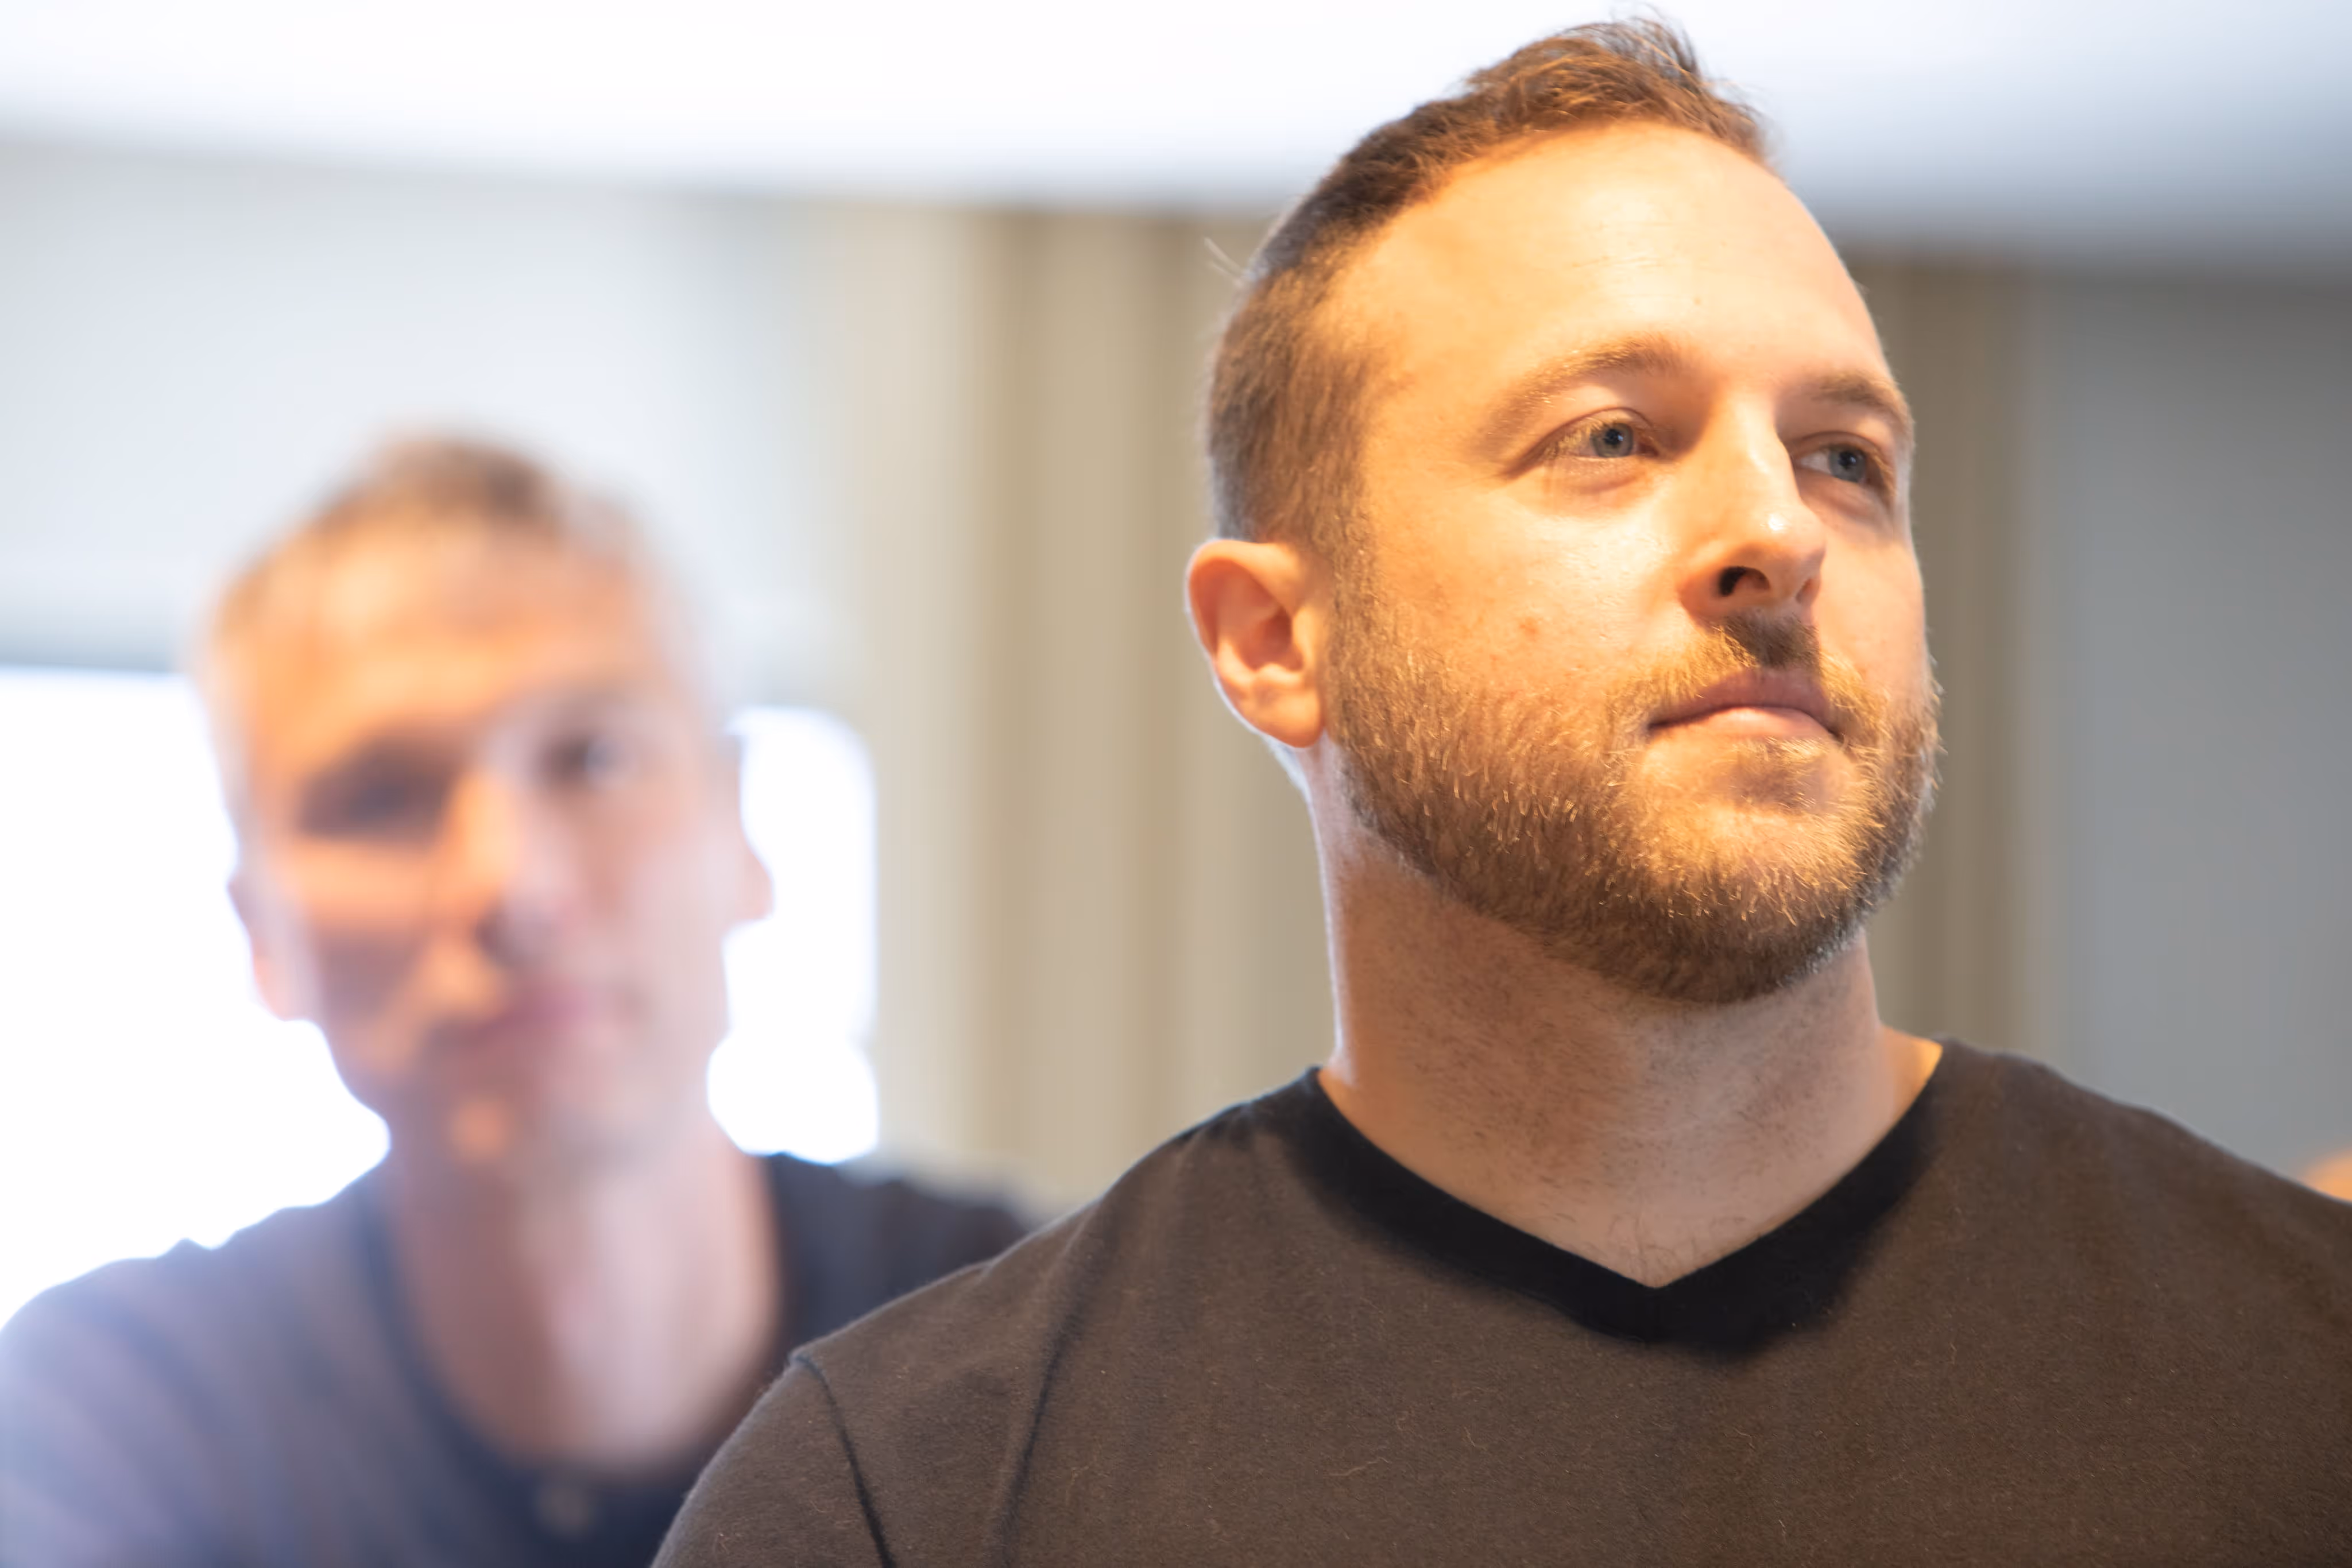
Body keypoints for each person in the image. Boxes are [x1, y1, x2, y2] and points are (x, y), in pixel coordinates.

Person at [655, 21, 2352, 1566]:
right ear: (1274, 641)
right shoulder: (913, 1499)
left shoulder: (2304, 1371)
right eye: (1614, 437)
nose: (1779, 530)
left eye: (1847, 458)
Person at [0, 439, 1026, 1567]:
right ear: (263, 935)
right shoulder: (119, 1413)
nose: (511, 888)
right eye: (381, 796)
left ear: (742, 833)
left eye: (590, 758)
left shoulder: (1033, 1351)